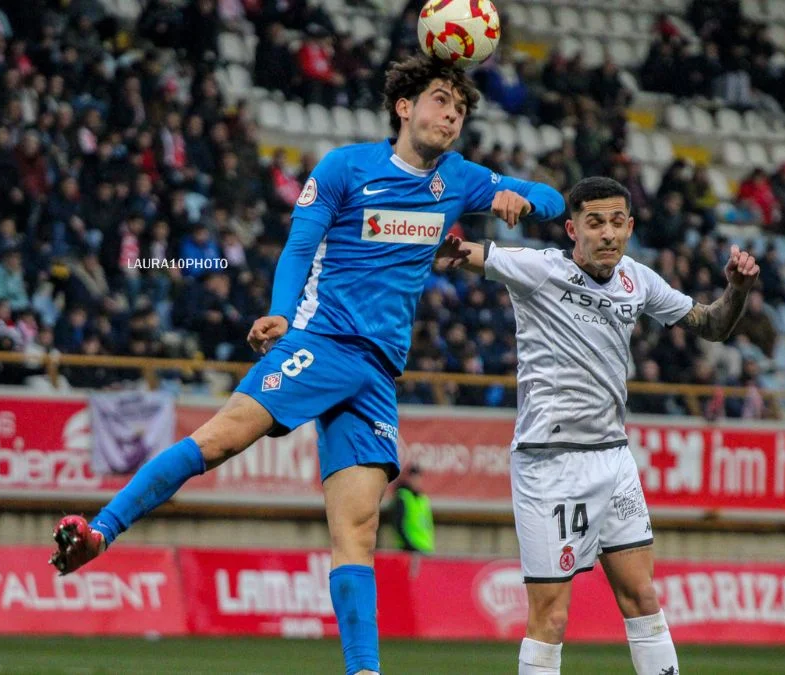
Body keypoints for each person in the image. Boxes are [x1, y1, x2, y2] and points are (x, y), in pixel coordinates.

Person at [48, 55, 565, 675]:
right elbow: (299, 247)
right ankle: (101, 532)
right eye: (439, 100)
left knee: (359, 532)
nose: (451, 115)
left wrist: (518, 199)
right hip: (323, 343)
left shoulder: (459, 178)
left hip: (377, 375)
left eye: (459, 109)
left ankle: (363, 671)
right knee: (217, 440)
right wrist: (281, 315)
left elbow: (555, 199)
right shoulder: (345, 167)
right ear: (404, 106)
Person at [436, 177, 760, 675]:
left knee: (641, 595)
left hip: (613, 457)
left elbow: (713, 325)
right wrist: (442, 245)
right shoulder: (540, 270)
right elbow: (468, 254)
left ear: (629, 227)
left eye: (616, 223)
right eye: (594, 223)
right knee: (551, 616)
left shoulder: (639, 280)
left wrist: (736, 290)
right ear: (572, 229)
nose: (607, 234)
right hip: (550, 461)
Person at [386, 465, 434, 553]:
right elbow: (398, 525)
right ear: (408, 479)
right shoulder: (403, 497)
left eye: (418, 479)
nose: (416, 482)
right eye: (414, 478)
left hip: (425, 548)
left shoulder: (423, 499)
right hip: (409, 550)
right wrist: (409, 546)